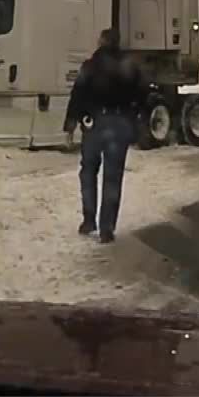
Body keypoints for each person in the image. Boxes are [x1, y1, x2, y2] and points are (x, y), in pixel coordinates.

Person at [63, 28, 150, 244]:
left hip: (94, 125)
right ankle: (106, 228)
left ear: (101, 42)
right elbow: (142, 96)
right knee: (112, 177)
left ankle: (89, 219)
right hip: (119, 126)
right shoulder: (129, 68)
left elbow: (78, 95)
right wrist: (134, 120)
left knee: (88, 172)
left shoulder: (90, 66)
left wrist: (71, 124)